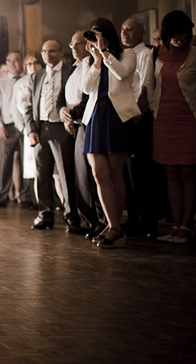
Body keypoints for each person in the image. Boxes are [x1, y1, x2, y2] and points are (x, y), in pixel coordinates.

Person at [80, 18, 140, 248]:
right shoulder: (90, 60)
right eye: (92, 36)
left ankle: (115, 226)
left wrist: (104, 52)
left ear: (107, 35)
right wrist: (96, 60)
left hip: (116, 116)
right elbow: (85, 88)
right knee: (98, 173)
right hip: (96, 116)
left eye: (98, 35)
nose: (94, 40)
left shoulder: (127, 55)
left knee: (115, 174)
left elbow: (122, 74)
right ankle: (111, 223)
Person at [150, 11, 196, 244]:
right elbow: (151, 86)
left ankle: (186, 226)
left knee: (188, 173)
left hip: (190, 120)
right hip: (163, 120)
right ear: (166, 34)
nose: (181, 39)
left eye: (185, 35)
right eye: (176, 35)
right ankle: (174, 225)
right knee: (170, 173)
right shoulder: (156, 54)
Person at [24, 40, 78, 231]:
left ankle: (71, 215)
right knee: (43, 175)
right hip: (41, 129)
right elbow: (29, 107)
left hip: (61, 128)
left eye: (52, 51)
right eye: (45, 51)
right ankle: (45, 214)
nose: (48, 55)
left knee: (66, 174)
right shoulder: (36, 76)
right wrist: (30, 129)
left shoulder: (70, 72)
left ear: (61, 52)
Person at [60, 31, 106, 237]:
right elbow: (63, 95)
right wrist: (63, 111)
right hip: (74, 124)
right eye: (72, 44)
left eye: (78, 43)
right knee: (80, 177)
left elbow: (89, 97)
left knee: (92, 175)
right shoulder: (73, 68)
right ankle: (88, 220)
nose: (74, 48)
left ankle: (102, 221)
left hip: (88, 123)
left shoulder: (94, 64)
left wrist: (72, 115)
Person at [119, 17, 157, 237]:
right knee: (128, 174)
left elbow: (145, 90)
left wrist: (135, 119)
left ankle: (146, 221)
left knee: (142, 174)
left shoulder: (146, 54)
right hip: (125, 117)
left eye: (130, 29)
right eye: (123, 29)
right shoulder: (123, 55)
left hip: (139, 119)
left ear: (142, 32)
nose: (125, 33)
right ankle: (133, 218)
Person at [0, 51, 23, 208]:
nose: (13, 64)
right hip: (7, 126)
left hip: (26, 125)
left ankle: (26, 197)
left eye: (16, 60)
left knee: (26, 161)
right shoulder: (0, 83)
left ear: (21, 61)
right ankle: (0, 197)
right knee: (5, 162)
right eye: (10, 61)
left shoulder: (28, 79)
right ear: (6, 64)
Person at [14, 53, 43, 209]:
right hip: (29, 128)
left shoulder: (46, 78)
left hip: (45, 125)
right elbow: (17, 107)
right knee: (33, 167)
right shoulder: (21, 83)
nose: (33, 67)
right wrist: (23, 127)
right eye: (29, 64)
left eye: (36, 63)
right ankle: (37, 202)